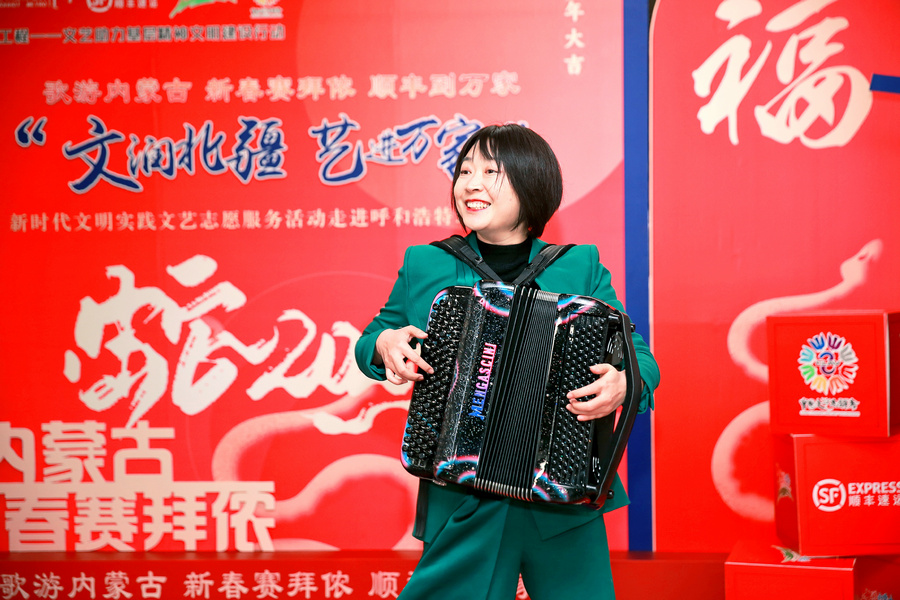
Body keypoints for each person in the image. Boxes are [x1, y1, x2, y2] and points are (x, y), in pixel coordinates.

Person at [354, 124, 660, 599]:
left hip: (560, 491)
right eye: (464, 171)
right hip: (462, 494)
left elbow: (639, 356)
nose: (470, 184)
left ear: (531, 183)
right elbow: (372, 339)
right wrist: (385, 344)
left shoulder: (578, 265)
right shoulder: (425, 264)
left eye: (490, 172)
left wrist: (623, 384)